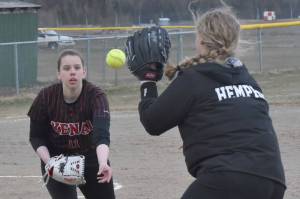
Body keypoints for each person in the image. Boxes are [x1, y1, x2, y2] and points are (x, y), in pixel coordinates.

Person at [128, 8, 286, 199]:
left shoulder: (194, 79)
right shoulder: (249, 81)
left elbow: (153, 122)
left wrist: (148, 80)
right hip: (273, 181)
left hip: (227, 178)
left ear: (201, 40)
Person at [27, 49, 115, 199]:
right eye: (66, 68)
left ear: (84, 72)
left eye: (77, 67)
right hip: (56, 158)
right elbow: (36, 137)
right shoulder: (45, 97)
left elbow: (101, 135)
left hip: (91, 157)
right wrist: (50, 163)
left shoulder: (96, 97)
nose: (72, 72)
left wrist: (102, 163)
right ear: (59, 74)